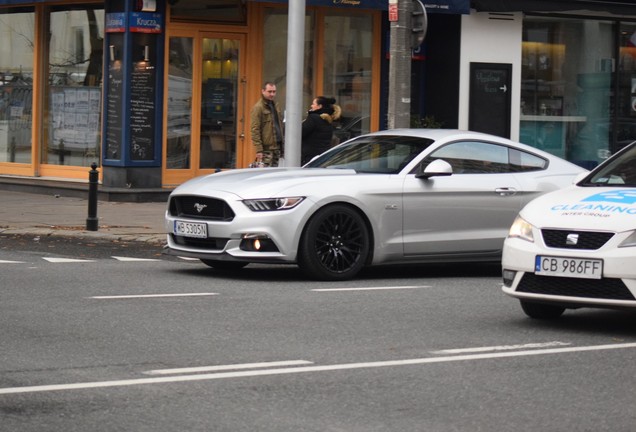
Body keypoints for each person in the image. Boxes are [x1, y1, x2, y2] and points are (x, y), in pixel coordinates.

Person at [250, 81, 284, 167]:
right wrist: (259, 150)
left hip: (277, 147)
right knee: (265, 173)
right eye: (269, 91)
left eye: (274, 91)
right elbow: (255, 129)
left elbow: (280, 125)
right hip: (266, 149)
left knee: (274, 174)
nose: (272, 94)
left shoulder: (276, 105)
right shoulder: (258, 107)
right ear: (263, 91)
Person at [301, 96, 341, 165]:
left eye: (313, 104)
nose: (311, 106)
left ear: (319, 106)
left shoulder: (313, 118)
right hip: (322, 156)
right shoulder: (327, 120)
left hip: (310, 157)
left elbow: (300, 133)